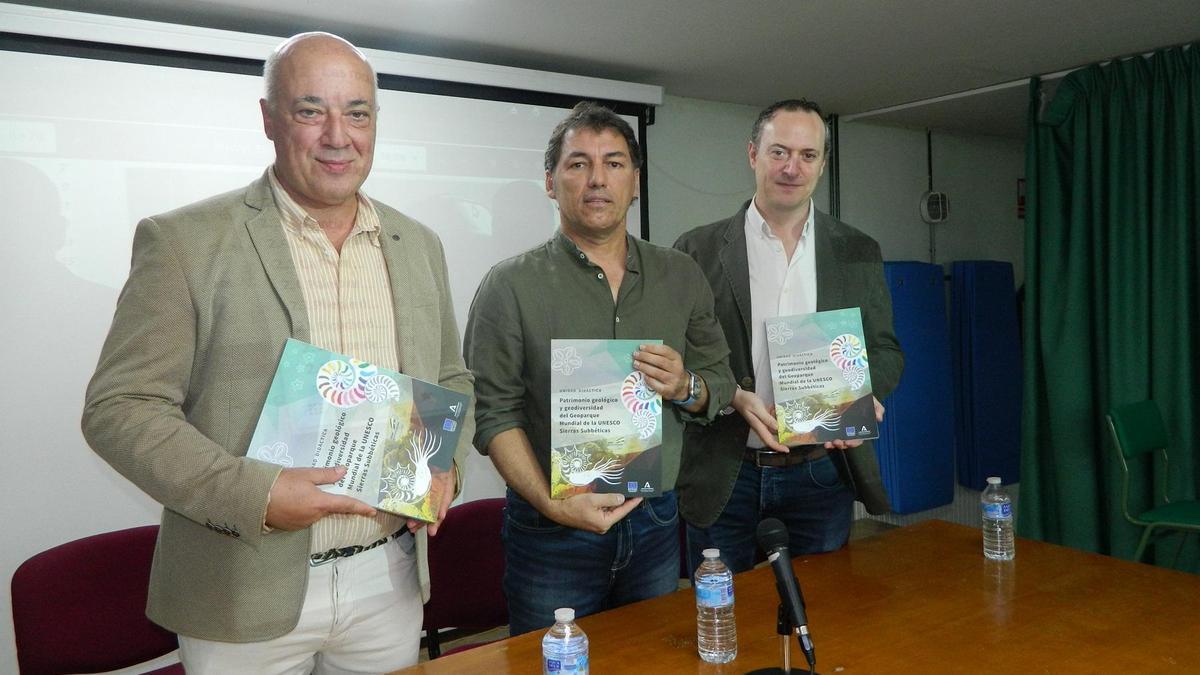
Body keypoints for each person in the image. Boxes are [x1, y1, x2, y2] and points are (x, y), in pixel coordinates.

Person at [81, 32, 474, 674]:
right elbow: (120, 408)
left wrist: (442, 462)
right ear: (268, 119)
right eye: (310, 110)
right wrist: (256, 493)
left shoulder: (418, 244)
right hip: (242, 588)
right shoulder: (184, 241)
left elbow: (452, 376)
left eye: (357, 112)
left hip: (388, 578)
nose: (337, 136)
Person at [464, 101, 735, 635]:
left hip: (654, 519)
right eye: (578, 163)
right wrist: (551, 505)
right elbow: (493, 413)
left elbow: (720, 384)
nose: (596, 179)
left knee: (651, 662)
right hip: (550, 528)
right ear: (550, 181)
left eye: (613, 163)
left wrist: (685, 385)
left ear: (635, 181)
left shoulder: (681, 275)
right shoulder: (509, 285)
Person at [674, 99, 904, 574]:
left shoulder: (857, 250)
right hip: (725, 469)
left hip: (820, 472)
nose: (792, 168)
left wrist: (864, 391)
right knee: (721, 617)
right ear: (752, 154)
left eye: (807, 155)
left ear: (822, 164)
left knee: (822, 615)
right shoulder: (694, 250)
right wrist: (729, 394)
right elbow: (678, 361)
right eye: (779, 152)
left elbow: (884, 350)